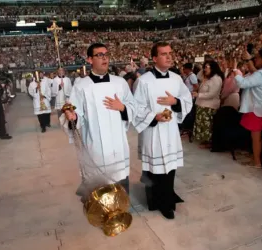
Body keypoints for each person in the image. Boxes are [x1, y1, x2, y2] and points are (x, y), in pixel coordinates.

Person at [60, 43, 137, 196]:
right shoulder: (81, 86)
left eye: (106, 55)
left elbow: (133, 106)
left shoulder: (119, 83)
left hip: (118, 145)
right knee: (100, 190)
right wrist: (72, 117)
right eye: (99, 55)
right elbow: (75, 114)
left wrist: (123, 108)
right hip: (96, 146)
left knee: (121, 185)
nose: (104, 58)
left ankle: (122, 212)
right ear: (89, 59)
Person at [133, 42, 193, 219]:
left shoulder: (176, 78)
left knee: (170, 167)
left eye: (170, 53)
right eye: (163, 54)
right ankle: (159, 201)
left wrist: (175, 102)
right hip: (153, 131)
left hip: (171, 130)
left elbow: (186, 99)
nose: (168, 57)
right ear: (154, 58)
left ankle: (168, 195)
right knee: (155, 169)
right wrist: (154, 117)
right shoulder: (144, 81)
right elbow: (137, 107)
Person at [233, 48, 262, 168]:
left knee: (256, 138)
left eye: (257, 57)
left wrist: (236, 73)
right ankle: (256, 158)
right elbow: (254, 74)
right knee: (257, 137)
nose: (255, 59)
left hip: (257, 109)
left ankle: (257, 162)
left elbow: (243, 83)